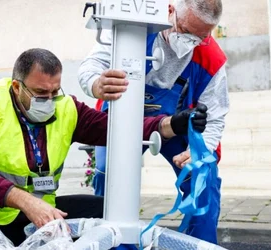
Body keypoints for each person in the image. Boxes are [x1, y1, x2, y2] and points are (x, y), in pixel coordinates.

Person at [0, 48, 208, 246]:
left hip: (29, 214)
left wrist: (171, 124)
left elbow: (114, 130)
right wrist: (26, 201)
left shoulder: (66, 107)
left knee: (108, 210)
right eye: (40, 94)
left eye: (54, 91)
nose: (49, 99)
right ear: (16, 87)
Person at [78, 0, 229, 244]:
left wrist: (198, 150)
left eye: (202, 36)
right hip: (121, 117)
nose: (194, 41)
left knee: (203, 175)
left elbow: (215, 114)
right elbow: (91, 66)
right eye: (188, 32)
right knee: (108, 177)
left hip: (174, 123)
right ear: (171, 12)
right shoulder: (133, 27)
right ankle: (110, 242)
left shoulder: (211, 58)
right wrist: (96, 83)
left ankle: (199, 244)